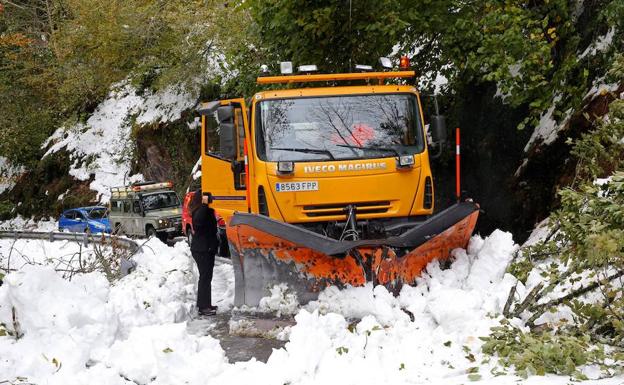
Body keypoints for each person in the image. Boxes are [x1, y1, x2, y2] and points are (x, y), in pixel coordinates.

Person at [189, 189, 219, 316]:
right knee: (204, 277)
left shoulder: (205, 210)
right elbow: (199, 222)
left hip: (207, 249)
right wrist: (204, 204)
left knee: (207, 277)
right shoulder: (198, 211)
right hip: (201, 250)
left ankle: (207, 304)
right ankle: (202, 307)